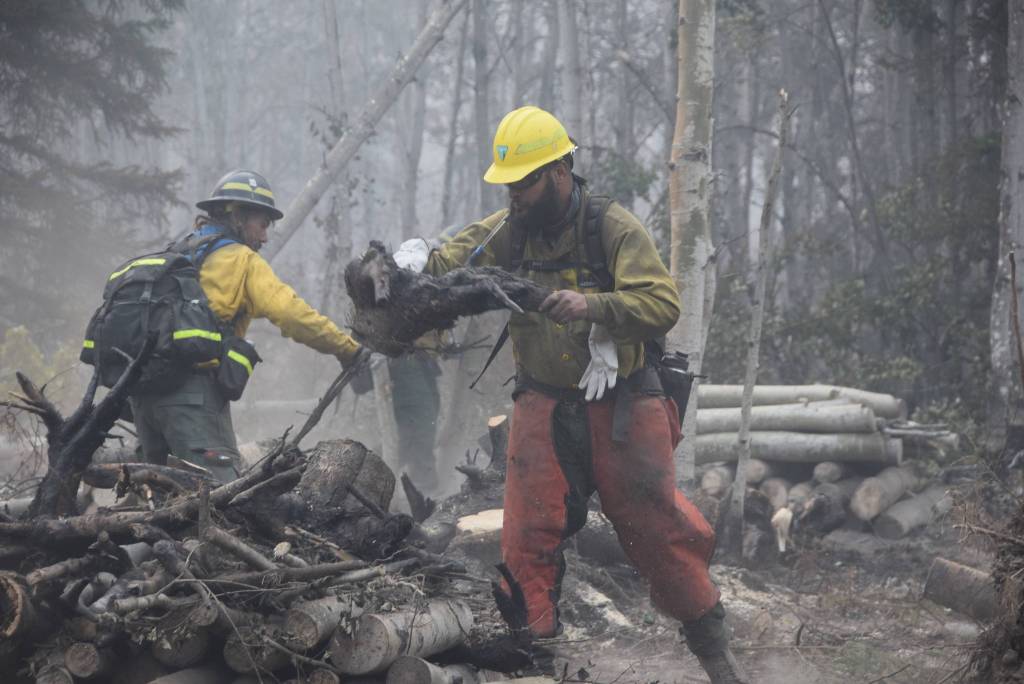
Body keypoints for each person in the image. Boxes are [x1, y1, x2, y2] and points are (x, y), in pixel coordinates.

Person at [408, 106, 748, 683]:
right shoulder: (505, 231)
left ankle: (718, 659)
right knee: (525, 539)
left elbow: (663, 302)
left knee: (659, 532)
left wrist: (596, 308)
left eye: (526, 182)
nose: (515, 195)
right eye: (509, 185)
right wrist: (411, 261)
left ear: (560, 170)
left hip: (623, 403)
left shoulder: (610, 228)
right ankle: (536, 665)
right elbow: (448, 263)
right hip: (542, 404)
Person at [129, 170, 364, 482]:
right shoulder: (241, 259)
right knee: (215, 496)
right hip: (192, 397)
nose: (265, 237)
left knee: (155, 493)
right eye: (262, 224)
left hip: (143, 395)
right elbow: (292, 314)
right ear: (237, 216)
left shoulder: (179, 252)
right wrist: (347, 349)